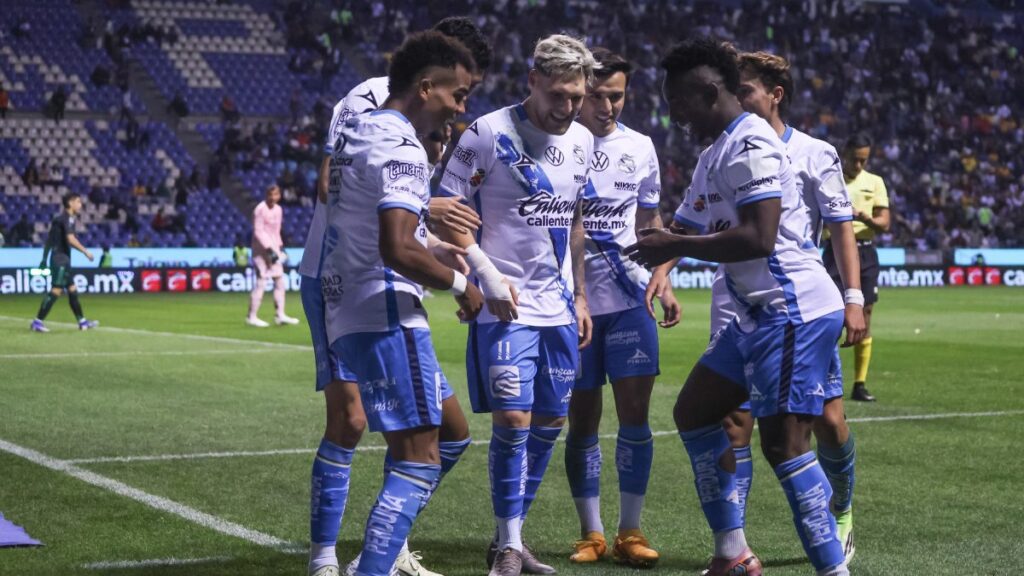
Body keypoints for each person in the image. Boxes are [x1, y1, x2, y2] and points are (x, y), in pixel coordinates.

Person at [625, 38, 850, 576]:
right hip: (756, 313)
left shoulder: (751, 144)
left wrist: (673, 245)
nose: (674, 116)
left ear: (709, 93)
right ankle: (732, 554)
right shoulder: (714, 154)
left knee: (784, 444)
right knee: (695, 413)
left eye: (678, 103)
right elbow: (684, 226)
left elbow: (758, 238)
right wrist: (650, 256)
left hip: (793, 310)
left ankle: (833, 569)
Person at [305, 16, 493, 576]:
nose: (461, 108)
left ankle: (379, 553)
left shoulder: (366, 130)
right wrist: (462, 284)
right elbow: (394, 244)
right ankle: (357, 563)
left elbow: (362, 211)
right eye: (459, 93)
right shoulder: (397, 138)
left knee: (449, 433)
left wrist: (428, 239)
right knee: (412, 454)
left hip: (347, 298)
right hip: (382, 303)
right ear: (428, 85)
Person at [438, 34, 597, 576]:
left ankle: (510, 537)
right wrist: (482, 276)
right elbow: (448, 211)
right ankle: (509, 546)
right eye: (558, 95)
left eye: (577, 97)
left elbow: (574, 221)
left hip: (559, 309)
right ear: (533, 81)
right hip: (505, 307)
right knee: (513, 418)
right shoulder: (487, 133)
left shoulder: (583, 141)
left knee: (550, 422)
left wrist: (581, 295)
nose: (568, 108)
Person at [563, 47, 678, 568]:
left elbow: (649, 223)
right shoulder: (560, 145)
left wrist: (663, 277)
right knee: (582, 419)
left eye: (617, 96)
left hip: (631, 300)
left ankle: (630, 530)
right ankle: (590, 533)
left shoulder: (641, 147)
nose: (607, 106)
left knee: (635, 417)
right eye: (598, 95)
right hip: (574, 305)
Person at [824, 133, 890, 402]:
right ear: (845, 155)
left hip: (865, 250)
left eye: (864, 160)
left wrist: (863, 217)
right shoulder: (830, 178)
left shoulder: (875, 182)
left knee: (866, 313)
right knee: (830, 313)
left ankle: (859, 384)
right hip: (835, 250)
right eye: (855, 159)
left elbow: (884, 222)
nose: (859, 165)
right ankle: (827, 378)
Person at [31, 192, 99, 332]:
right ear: (70, 203)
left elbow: (49, 241)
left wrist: (44, 259)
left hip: (61, 258)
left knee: (72, 289)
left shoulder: (59, 219)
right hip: (60, 260)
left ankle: (82, 322)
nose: (80, 204)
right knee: (56, 290)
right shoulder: (67, 218)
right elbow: (71, 239)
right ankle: (37, 322)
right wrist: (85, 251)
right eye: (78, 201)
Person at [247, 184, 299, 327]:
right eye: (270, 195)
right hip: (260, 250)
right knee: (261, 281)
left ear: (279, 195)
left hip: (274, 249)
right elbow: (258, 231)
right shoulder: (260, 209)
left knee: (279, 281)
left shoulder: (278, 209)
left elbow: (276, 231)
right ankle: (252, 316)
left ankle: (280, 315)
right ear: (266, 195)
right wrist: (269, 249)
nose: (273, 197)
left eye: (275, 194)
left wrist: (280, 247)